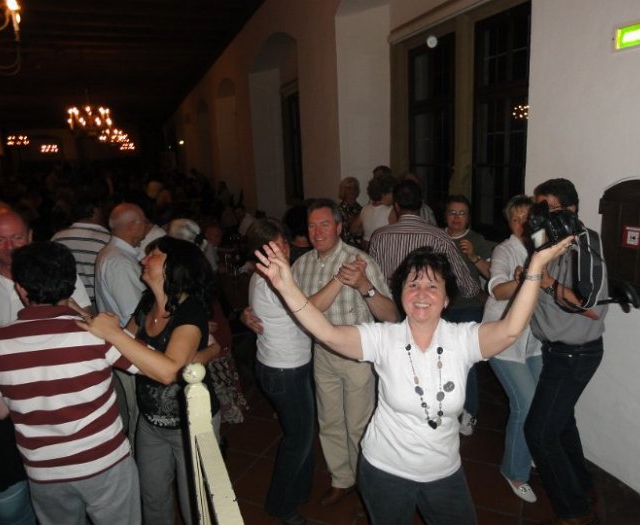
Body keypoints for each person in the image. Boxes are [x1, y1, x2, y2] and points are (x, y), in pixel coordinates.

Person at [253, 234, 572, 525]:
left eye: (433, 286)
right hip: (384, 471)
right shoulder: (383, 338)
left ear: (446, 299)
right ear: (401, 294)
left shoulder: (463, 339)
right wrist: (286, 287)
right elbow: (327, 333)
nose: (421, 294)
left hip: (444, 472)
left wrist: (535, 269)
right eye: (413, 284)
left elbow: (511, 329)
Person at [243, 199, 398, 506]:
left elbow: (391, 315)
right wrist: (247, 314)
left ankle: (367, 483)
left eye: (325, 224)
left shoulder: (360, 261)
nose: (317, 232)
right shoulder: (301, 266)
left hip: (357, 357)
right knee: (329, 423)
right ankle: (342, 479)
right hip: (320, 356)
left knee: (358, 426)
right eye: (312, 225)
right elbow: (289, 307)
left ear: (339, 227)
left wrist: (365, 285)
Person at [0, 241, 140, 525]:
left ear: (20, 288)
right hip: (104, 461)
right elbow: (146, 362)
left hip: (44, 471)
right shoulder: (95, 335)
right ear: (71, 287)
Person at [81, 236, 221, 525]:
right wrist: (82, 315)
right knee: (152, 499)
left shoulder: (191, 311)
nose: (143, 259)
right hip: (151, 423)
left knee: (195, 506)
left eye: (153, 255)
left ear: (175, 265)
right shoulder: (147, 303)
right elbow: (125, 344)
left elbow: (169, 371)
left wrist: (113, 333)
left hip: (191, 424)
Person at [524, 178, 608, 525]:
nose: (539, 214)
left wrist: (545, 283)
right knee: (561, 424)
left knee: (539, 433)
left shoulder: (585, 244)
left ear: (569, 208)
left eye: (546, 207)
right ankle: (582, 486)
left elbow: (591, 308)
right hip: (556, 351)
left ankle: (575, 512)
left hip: (576, 354)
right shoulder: (550, 238)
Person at [246, 219, 314, 525]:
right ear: (261, 252)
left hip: (281, 365)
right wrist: (339, 281)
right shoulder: (273, 281)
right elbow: (308, 312)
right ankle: (280, 504)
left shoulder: (266, 275)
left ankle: (299, 490)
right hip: (284, 370)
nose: (284, 249)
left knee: (302, 433)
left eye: (284, 242)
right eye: (275, 246)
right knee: (298, 438)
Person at [483, 195, 540, 503]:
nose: (521, 224)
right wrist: (523, 280)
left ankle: (527, 449)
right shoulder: (505, 250)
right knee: (526, 404)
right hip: (502, 337)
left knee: (542, 399)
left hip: (535, 338)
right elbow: (496, 289)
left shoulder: (543, 248)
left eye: (526, 217)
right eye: (515, 218)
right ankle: (514, 471)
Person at [167, 218, 248, 425]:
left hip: (208, 326)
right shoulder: (195, 262)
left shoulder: (186, 266)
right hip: (208, 324)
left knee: (210, 376)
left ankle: (217, 418)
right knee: (212, 375)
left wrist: (202, 321)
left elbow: (201, 299)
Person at [94, 202, 148, 444]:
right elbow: (133, 313)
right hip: (131, 348)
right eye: (144, 221)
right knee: (140, 414)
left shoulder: (116, 255)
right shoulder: (119, 261)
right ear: (133, 225)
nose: (147, 225)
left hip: (125, 346)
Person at [443, 194, 496, 436]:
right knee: (442, 359)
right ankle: (446, 408)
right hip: (441, 307)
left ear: (468, 217)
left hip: (468, 306)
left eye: (462, 213)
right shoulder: (437, 236)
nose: (456, 218)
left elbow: (493, 274)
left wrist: (474, 256)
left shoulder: (476, 239)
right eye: (452, 212)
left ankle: (469, 411)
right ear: (446, 215)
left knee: (466, 361)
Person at [0, 207, 92, 329]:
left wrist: (81, 315)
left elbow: (86, 322)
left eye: (17, 238)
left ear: (30, 236)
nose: (9, 246)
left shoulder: (56, 270)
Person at [51, 195, 112, 305]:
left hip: (65, 302)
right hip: (96, 302)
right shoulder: (108, 240)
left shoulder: (57, 238)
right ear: (95, 211)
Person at [353, 175, 396, 251]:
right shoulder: (390, 210)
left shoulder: (365, 208)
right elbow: (396, 234)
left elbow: (353, 229)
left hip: (368, 250)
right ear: (384, 194)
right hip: (383, 250)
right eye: (392, 193)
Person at [337, 177, 362, 248]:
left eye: (355, 188)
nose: (352, 191)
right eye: (349, 188)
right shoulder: (340, 209)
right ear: (343, 191)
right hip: (347, 247)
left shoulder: (360, 208)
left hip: (361, 247)